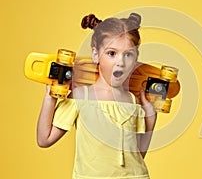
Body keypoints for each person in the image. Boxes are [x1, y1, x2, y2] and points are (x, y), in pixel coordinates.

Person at [37, 13, 157, 179]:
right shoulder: (80, 97)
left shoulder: (132, 100)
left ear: (136, 57)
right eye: (112, 53)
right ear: (95, 54)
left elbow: (137, 155)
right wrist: (50, 97)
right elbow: (44, 139)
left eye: (128, 54)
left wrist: (150, 116)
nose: (120, 62)